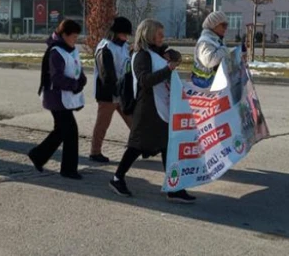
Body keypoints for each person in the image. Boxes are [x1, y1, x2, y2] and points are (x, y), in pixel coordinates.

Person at [109, 19, 196, 203]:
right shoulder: (141, 55)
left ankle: (174, 187)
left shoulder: (157, 52)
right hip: (147, 109)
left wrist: (173, 56)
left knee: (167, 147)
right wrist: (168, 68)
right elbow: (144, 80)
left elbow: (174, 56)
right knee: (136, 146)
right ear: (149, 34)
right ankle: (117, 178)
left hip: (160, 108)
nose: (162, 37)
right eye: (159, 34)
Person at [27, 20, 87, 179]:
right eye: (73, 36)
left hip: (65, 97)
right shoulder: (56, 52)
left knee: (61, 131)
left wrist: (82, 79)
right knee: (70, 132)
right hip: (56, 99)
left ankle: (38, 156)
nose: (75, 39)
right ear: (64, 35)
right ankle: (68, 169)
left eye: (77, 36)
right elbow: (57, 78)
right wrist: (75, 85)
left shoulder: (70, 49)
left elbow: (76, 68)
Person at [90, 17, 134, 163]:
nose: (126, 37)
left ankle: (138, 147)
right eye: (124, 34)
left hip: (122, 93)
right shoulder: (105, 48)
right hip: (107, 94)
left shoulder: (124, 46)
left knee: (134, 122)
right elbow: (106, 74)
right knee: (103, 124)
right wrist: (116, 90)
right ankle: (95, 152)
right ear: (116, 33)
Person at [192, 11, 231, 89]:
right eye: (223, 25)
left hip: (212, 84)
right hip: (204, 85)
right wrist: (224, 50)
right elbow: (209, 61)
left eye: (227, 26)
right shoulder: (205, 41)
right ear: (214, 25)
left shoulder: (216, 40)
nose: (226, 28)